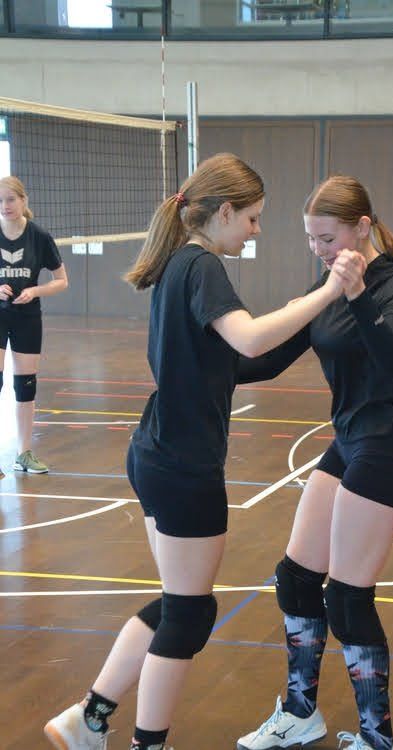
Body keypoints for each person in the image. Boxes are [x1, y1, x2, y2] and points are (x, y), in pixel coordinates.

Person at [43, 153, 344, 750]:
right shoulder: (201, 263)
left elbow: (245, 364)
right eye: (252, 218)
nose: (256, 230)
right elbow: (250, 337)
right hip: (183, 467)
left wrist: (318, 303)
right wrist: (332, 289)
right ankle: (144, 741)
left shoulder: (180, 263)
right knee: (187, 613)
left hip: (155, 454)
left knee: (183, 605)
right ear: (224, 212)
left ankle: (89, 719)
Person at [235, 175, 393, 750]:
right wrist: (198, 360)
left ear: (362, 227)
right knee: (296, 578)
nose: (319, 250)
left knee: (348, 598)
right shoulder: (329, 282)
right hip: (350, 439)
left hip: (391, 444)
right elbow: (270, 357)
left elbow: (391, 358)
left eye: (327, 238)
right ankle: (300, 712)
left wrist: (355, 293)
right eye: (311, 239)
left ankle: (379, 739)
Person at [0, 176, 68, 477]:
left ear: (23, 200)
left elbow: (62, 280)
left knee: (25, 385)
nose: (5, 206)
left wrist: (35, 291)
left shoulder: (39, 236)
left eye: (10, 199)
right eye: (0, 201)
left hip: (27, 318)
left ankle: (24, 454)